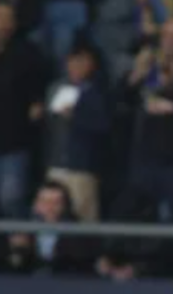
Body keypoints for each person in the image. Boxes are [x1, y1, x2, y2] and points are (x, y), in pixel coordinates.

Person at [122, 17, 173, 226]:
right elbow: (122, 107)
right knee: (138, 220)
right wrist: (135, 76)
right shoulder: (148, 72)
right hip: (143, 159)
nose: (171, 41)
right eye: (166, 35)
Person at [44, 43, 110, 222]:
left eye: (83, 62)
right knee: (52, 215)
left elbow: (103, 126)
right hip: (56, 164)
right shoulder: (55, 89)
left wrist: (77, 116)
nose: (78, 66)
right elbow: (49, 124)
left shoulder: (97, 92)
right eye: (74, 61)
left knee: (83, 217)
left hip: (82, 167)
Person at [0, 0, 47, 219]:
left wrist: (37, 104)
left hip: (12, 144)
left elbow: (38, 93)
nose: (3, 24)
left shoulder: (27, 54)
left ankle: (19, 251)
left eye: (8, 18)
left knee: (11, 201)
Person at [2, 180, 96, 276]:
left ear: (65, 206)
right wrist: (18, 250)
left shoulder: (78, 233)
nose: (49, 207)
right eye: (44, 201)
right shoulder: (21, 229)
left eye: (56, 202)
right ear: (35, 205)